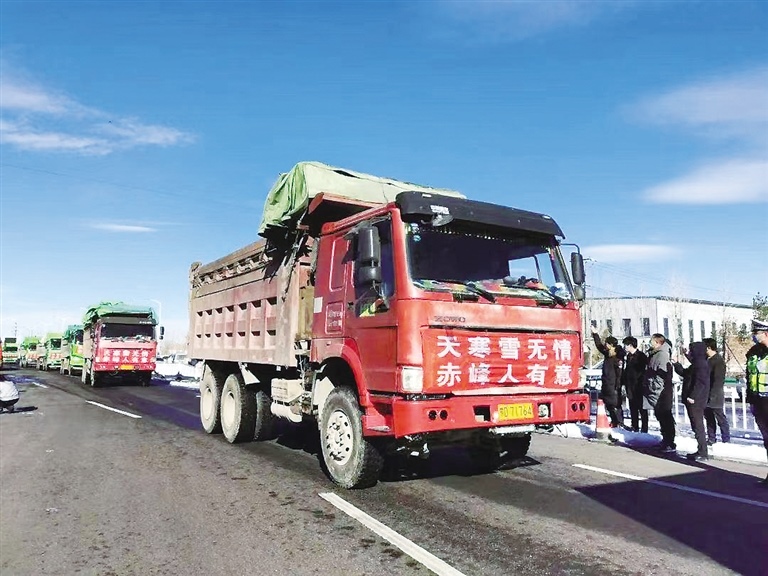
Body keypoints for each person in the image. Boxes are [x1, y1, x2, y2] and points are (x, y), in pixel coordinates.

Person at [675, 342, 711, 461]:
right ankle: (700, 450)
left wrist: (693, 396)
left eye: (691, 350)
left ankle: (703, 452)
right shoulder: (697, 363)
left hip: (696, 401)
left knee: (698, 426)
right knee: (696, 425)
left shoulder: (701, 364)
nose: (690, 353)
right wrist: (676, 364)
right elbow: (685, 373)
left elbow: (700, 382)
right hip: (693, 399)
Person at [644, 334, 676, 452]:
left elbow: (664, 374)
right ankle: (665, 440)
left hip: (661, 391)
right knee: (661, 416)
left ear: (657, 342)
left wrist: (654, 382)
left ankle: (669, 442)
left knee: (665, 416)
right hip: (655, 389)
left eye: (652, 341)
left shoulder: (662, 355)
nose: (650, 343)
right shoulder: (654, 354)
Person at [745, 319, 768, 486]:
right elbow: (749, 376)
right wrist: (750, 399)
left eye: (756, 333)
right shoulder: (753, 352)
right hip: (758, 401)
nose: (754, 336)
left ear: (765, 333)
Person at [591, 327, 624, 427]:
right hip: (606, 382)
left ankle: (619, 422)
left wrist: (618, 385)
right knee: (608, 404)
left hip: (613, 384)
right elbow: (599, 346)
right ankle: (614, 421)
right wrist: (595, 334)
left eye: (607, 343)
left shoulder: (618, 357)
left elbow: (619, 372)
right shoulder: (607, 354)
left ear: (611, 345)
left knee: (615, 404)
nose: (605, 345)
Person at [703, 337, 730, 445]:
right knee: (709, 418)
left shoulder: (718, 361)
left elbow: (718, 380)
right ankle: (711, 438)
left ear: (709, 347)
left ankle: (726, 439)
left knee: (720, 417)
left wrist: (713, 395)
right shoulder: (707, 359)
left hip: (715, 394)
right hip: (706, 394)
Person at [621, 336, 648, 433]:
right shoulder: (628, 356)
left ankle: (644, 428)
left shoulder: (641, 356)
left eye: (626, 345)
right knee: (633, 407)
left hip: (639, 385)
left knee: (642, 408)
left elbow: (643, 371)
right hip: (630, 386)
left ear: (631, 345)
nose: (625, 347)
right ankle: (635, 426)